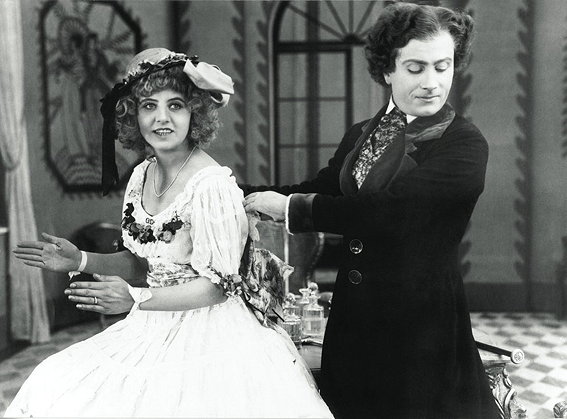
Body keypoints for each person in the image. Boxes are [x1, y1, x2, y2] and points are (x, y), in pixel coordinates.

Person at [7, 48, 333, 418]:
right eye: (149, 106)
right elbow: (142, 263)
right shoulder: (141, 175)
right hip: (151, 323)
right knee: (54, 380)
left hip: (213, 334)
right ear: (133, 115)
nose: (162, 118)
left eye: (175, 105)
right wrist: (80, 259)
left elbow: (218, 287)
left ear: (195, 112)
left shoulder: (211, 184)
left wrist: (135, 298)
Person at [243, 3, 500, 419]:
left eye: (443, 66)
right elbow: (322, 188)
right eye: (415, 68)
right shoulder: (363, 133)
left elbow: (390, 212)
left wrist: (291, 208)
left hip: (422, 330)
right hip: (354, 323)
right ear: (387, 70)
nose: (432, 82)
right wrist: (237, 192)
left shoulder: (464, 145)